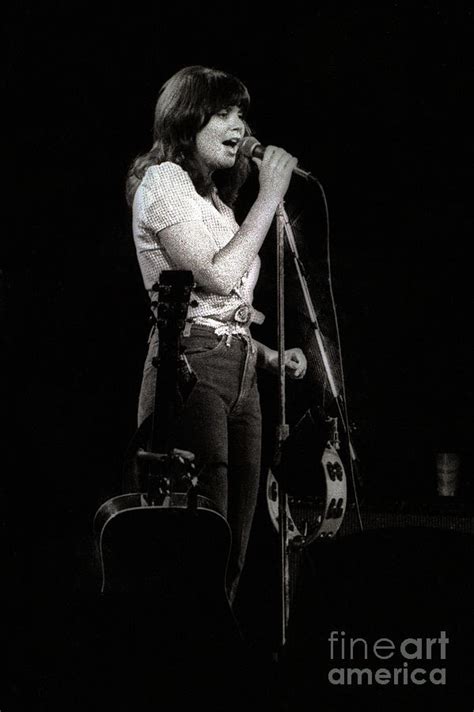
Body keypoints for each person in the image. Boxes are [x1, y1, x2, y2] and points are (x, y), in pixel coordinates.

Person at [125, 65, 307, 605]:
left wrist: (272, 357)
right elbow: (217, 275)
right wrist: (271, 195)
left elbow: (228, 305)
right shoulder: (162, 183)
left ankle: (214, 662)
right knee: (203, 532)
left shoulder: (221, 208)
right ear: (187, 120)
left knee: (235, 547)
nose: (239, 125)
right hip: (191, 367)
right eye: (224, 112)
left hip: (242, 372)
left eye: (241, 113)